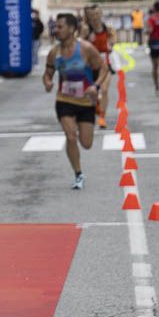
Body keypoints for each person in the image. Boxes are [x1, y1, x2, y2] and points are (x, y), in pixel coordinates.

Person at [43, 12, 108, 190]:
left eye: (60, 26)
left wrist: (95, 86)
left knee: (86, 144)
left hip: (85, 102)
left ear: (72, 29)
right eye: (55, 26)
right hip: (64, 101)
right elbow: (48, 74)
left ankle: (82, 131)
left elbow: (103, 68)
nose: (56, 30)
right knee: (71, 136)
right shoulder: (54, 53)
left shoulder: (86, 48)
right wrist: (47, 82)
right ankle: (78, 174)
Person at [81, 6, 114, 128]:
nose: (95, 17)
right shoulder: (86, 29)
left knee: (104, 90)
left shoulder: (107, 28)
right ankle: (97, 107)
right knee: (91, 94)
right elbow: (79, 44)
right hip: (90, 66)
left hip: (104, 65)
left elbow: (112, 39)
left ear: (101, 14)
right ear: (89, 16)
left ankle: (102, 118)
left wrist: (111, 44)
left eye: (97, 14)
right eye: (93, 14)